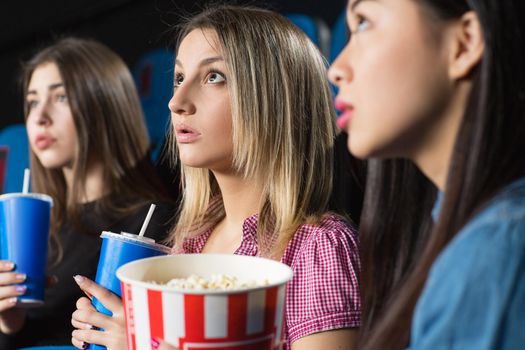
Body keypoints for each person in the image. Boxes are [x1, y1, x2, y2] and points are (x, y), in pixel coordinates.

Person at [70, 5, 361, 350]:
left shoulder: (319, 249)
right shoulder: (188, 242)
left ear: (273, 99)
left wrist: (140, 344)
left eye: (214, 77)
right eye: (179, 78)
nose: (176, 101)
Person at [329, 0, 525, 349]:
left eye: (363, 24)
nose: (336, 70)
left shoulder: (497, 251)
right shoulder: (463, 230)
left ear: (464, 44)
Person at [0, 37, 177, 349]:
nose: (39, 117)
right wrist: (10, 323)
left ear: (106, 106)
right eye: (32, 102)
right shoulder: (38, 222)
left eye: (61, 98)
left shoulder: (151, 222)